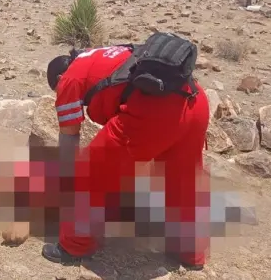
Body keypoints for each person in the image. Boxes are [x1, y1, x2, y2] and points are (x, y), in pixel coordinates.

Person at [41, 32, 211, 270]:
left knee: (88, 171)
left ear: (59, 77)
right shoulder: (98, 56)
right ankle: (189, 251)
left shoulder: (69, 80)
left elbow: (69, 142)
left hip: (155, 112)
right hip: (195, 101)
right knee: (182, 181)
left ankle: (73, 245)